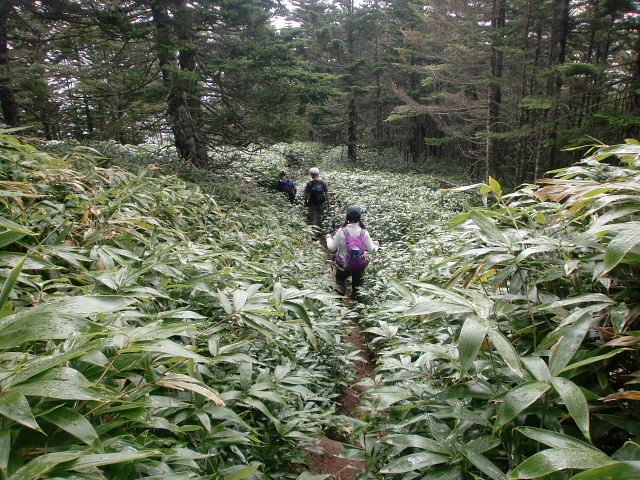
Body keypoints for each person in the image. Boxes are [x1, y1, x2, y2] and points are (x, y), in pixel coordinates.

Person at [326, 205, 379, 302]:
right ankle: (357, 306)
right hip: (359, 265)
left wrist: (328, 238)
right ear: (360, 217)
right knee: (357, 285)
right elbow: (372, 250)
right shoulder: (364, 232)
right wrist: (376, 245)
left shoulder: (342, 231)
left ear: (347, 216)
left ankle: (339, 303)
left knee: (340, 281)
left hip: (343, 265)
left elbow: (332, 248)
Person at [304, 167, 330, 236]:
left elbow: (307, 194)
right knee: (319, 217)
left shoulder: (310, 184)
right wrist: (328, 202)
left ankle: (314, 234)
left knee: (313, 218)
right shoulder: (322, 182)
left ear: (311, 174)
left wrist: (305, 201)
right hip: (321, 202)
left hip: (312, 203)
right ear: (318, 174)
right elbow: (327, 192)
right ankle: (320, 232)